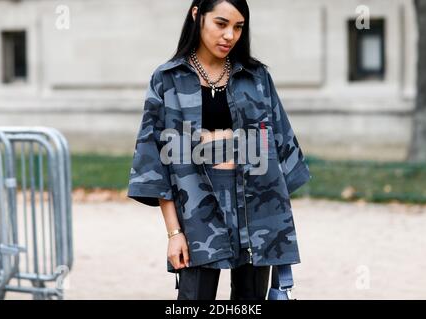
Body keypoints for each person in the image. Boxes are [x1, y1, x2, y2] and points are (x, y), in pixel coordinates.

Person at [127, 0, 311, 300]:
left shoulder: (256, 77)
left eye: (238, 27)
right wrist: (174, 234)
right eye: (221, 24)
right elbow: (155, 161)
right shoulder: (167, 79)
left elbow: (279, 150)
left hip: (254, 205)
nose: (230, 36)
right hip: (197, 204)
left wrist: (276, 227)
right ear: (197, 14)